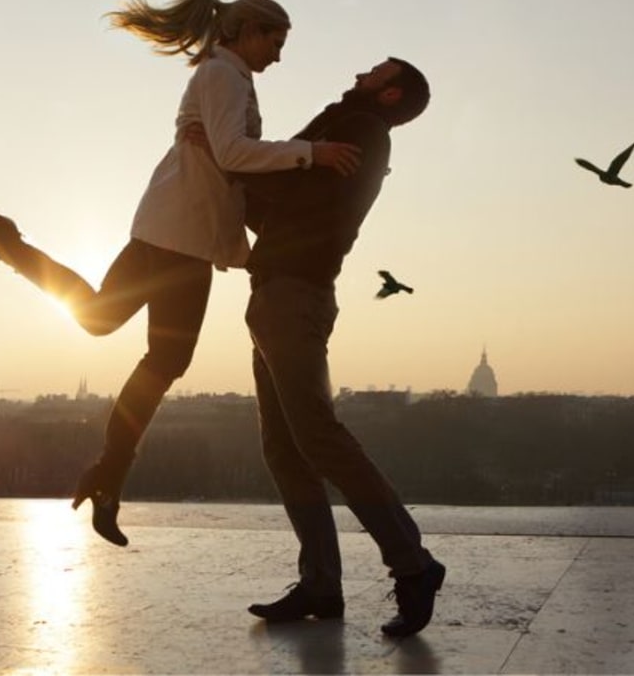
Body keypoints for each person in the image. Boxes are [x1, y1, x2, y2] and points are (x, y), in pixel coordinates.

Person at [0, 0, 360, 547]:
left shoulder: (226, 76)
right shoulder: (223, 77)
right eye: (276, 42)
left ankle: (108, 475)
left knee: (112, 327)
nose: (279, 56)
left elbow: (225, 160)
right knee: (152, 350)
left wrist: (239, 173)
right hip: (177, 233)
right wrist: (311, 151)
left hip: (176, 229)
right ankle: (109, 474)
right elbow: (234, 155)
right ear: (249, 30)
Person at [190, 56, 444, 637]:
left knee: (317, 437)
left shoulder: (357, 132)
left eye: (373, 72)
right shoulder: (348, 125)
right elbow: (281, 200)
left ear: (388, 94)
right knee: (285, 447)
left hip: (294, 296)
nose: (359, 74)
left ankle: (413, 564)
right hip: (279, 292)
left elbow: (284, 193)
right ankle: (321, 585)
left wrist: (225, 156)